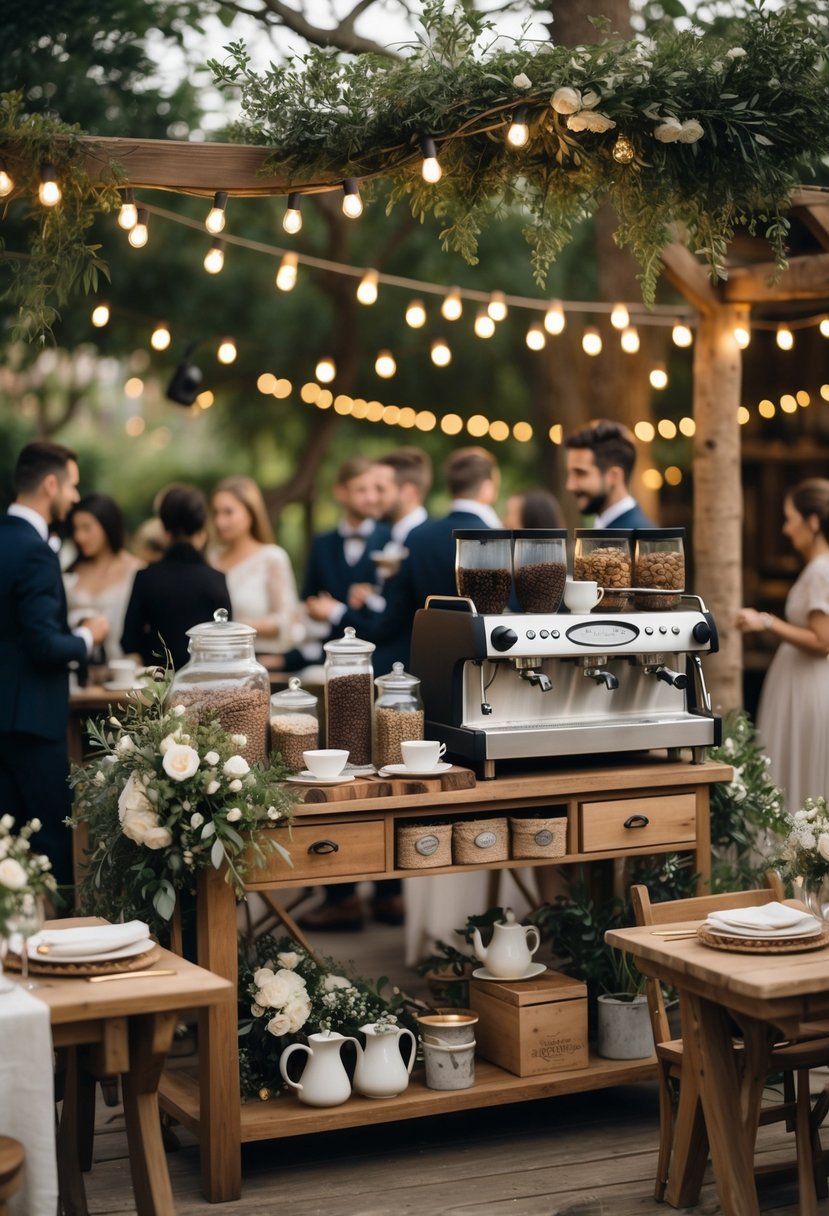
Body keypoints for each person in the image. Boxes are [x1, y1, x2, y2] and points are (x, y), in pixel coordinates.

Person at [0, 441, 109, 887]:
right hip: (32, 720)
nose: (75, 497)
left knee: (6, 846)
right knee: (52, 852)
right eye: (72, 486)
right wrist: (88, 636)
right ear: (50, 484)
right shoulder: (36, 551)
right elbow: (44, 644)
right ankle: (60, 948)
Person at [736, 479, 829, 814]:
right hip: (802, 685)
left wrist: (767, 622)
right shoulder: (817, 568)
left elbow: (822, 641)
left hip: (808, 688)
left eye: (790, 518)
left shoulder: (820, 571)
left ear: (813, 522)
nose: (786, 528)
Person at [306, 447, 433, 674]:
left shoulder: (419, 541)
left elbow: (394, 625)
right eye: (365, 489)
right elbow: (396, 608)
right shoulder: (400, 538)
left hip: (401, 668)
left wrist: (337, 611)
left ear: (407, 492)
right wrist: (372, 598)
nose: (372, 498)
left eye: (380, 489)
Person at [121, 484, 231, 670]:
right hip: (205, 687)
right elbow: (226, 643)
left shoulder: (145, 578)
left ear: (164, 528)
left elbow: (128, 641)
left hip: (159, 687)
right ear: (201, 528)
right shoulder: (216, 580)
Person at [210, 476, 303, 664]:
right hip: (215, 661)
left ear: (250, 513)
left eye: (228, 512)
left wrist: (234, 627)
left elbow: (287, 620)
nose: (220, 521)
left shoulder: (271, 558)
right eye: (215, 513)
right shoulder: (210, 559)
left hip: (260, 661)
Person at [64, 494, 142, 661]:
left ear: (107, 525)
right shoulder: (69, 572)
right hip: (77, 666)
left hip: (123, 668)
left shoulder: (136, 570)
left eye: (86, 528)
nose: (79, 536)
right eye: (75, 529)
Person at [564, 419, 655, 528]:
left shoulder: (638, 538)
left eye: (580, 473)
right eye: (570, 473)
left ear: (614, 476)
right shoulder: (606, 527)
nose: (570, 486)